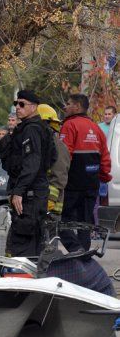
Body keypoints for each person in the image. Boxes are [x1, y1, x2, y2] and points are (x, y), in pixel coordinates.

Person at [0, 90, 55, 256]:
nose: (18, 107)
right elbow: (51, 158)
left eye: (22, 104)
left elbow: (32, 163)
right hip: (34, 192)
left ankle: (23, 278)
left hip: (29, 195)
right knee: (32, 241)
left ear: (34, 107)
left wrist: (19, 191)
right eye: (16, 104)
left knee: (23, 243)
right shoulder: (30, 128)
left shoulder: (32, 129)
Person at [59, 94, 111, 250]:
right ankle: (84, 257)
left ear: (77, 106)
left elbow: (63, 156)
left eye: (68, 103)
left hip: (72, 185)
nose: (65, 107)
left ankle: (77, 252)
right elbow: (105, 158)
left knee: (62, 223)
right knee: (85, 224)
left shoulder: (69, 126)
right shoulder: (97, 128)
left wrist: (57, 180)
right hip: (91, 185)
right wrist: (102, 177)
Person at [37, 103, 70, 241]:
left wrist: (49, 201)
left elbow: (59, 176)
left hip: (51, 208)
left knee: (48, 247)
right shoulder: (42, 143)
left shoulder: (57, 146)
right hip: (41, 204)